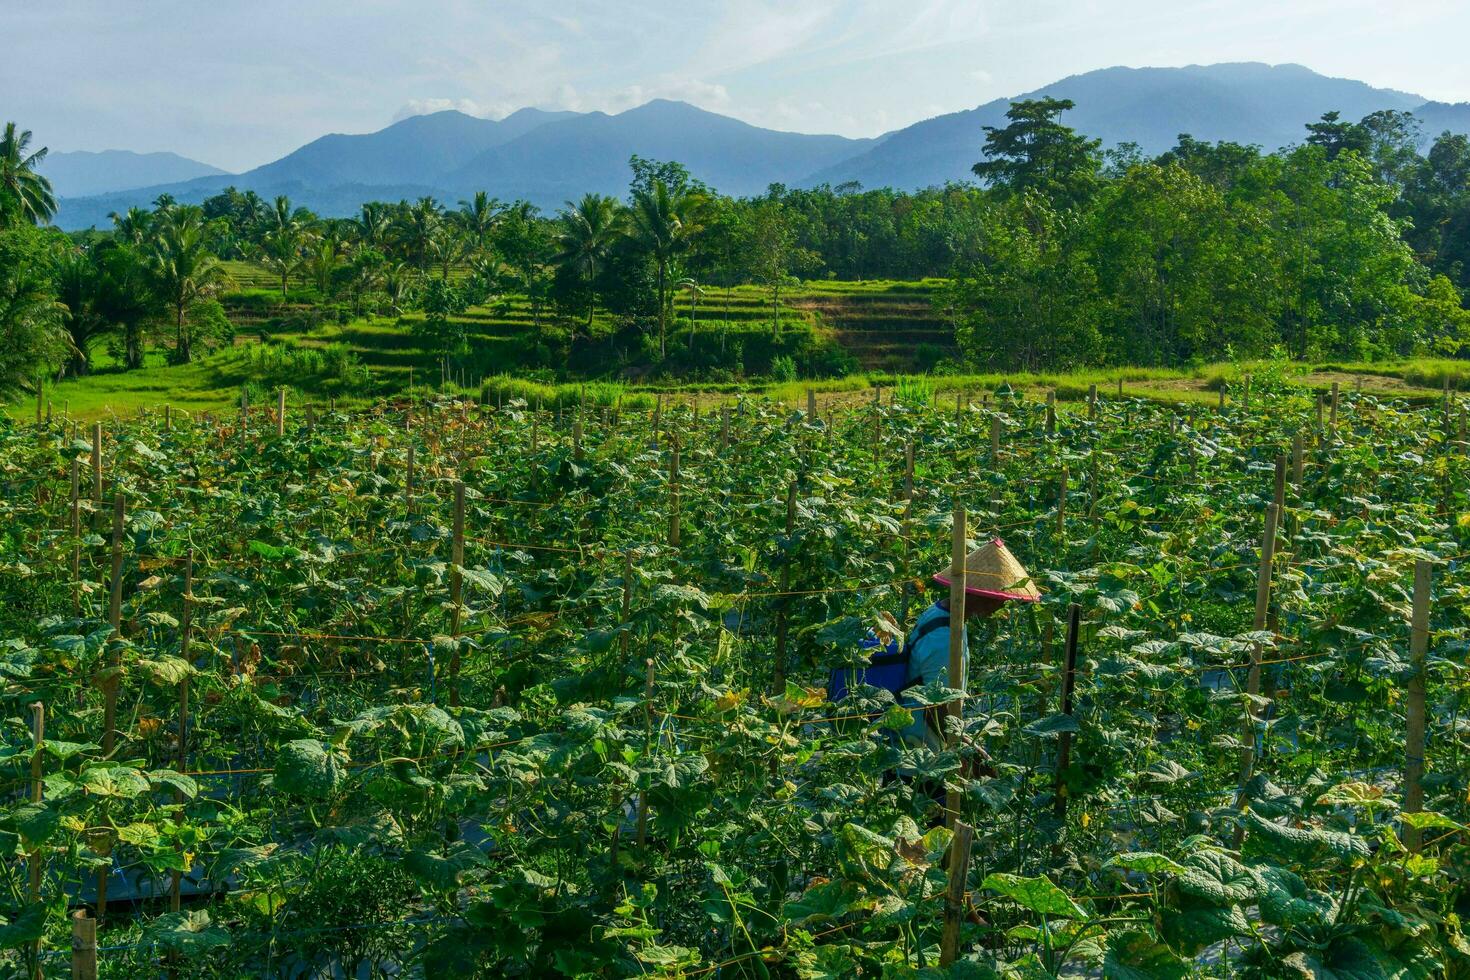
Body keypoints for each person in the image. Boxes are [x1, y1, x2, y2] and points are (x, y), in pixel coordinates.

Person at [898, 537, 1041, 750]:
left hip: (923, 742)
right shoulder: (944, 638)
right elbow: (935, 708)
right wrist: (965, 751)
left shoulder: (942, 613)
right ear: (975, 594)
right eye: (995, 596)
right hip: (923, 752)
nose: (1000, 603)